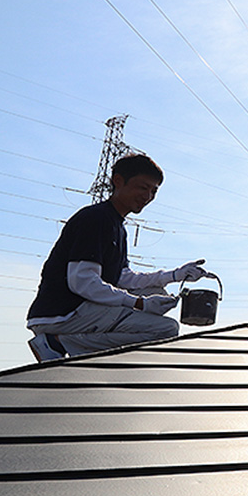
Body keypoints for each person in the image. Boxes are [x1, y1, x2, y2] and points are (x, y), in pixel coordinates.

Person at [26, 153, 208, 361]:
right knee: (165, 329)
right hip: (63, 312)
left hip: (81, 307)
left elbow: (123, 278)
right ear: (118, 181)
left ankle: (80, 345)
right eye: (142, 187)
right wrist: (139, 304)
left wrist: (175, 275)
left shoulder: (117, 226)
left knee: (158, 293)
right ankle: (57, 343)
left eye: (153, 191)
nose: (147, 196)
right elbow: (83, 282)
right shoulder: (96, 218)